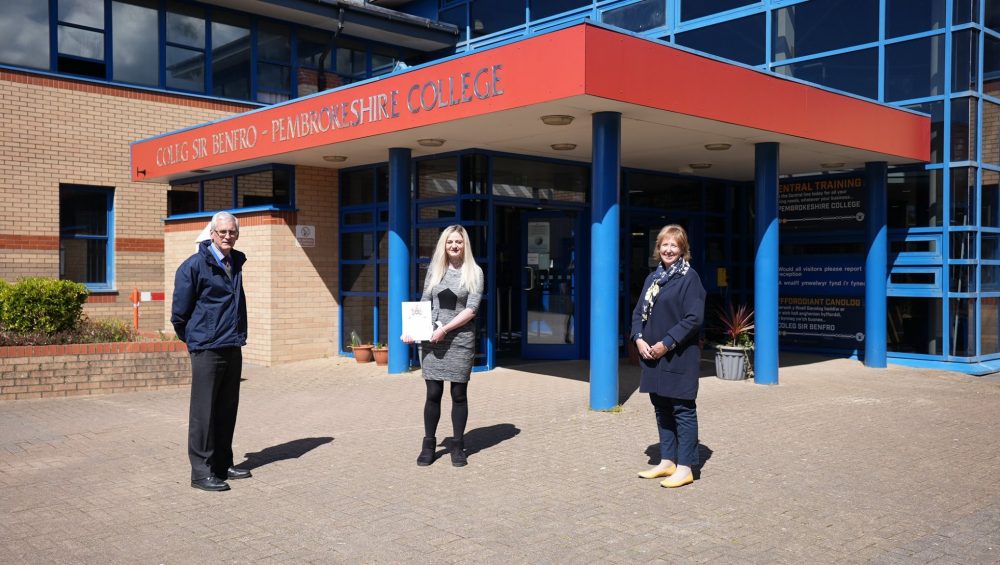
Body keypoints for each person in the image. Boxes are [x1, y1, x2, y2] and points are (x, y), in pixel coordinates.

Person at [171, 211, 251, 492]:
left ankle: (221, 464)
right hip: (207, 347)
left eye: (232, 232)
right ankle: (201, 471)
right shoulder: (193, 266)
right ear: (212, 234)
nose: (227, 236)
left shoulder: (235, 262)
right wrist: (196, 339)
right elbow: (179, 314)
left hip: (232, 344)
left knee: (227, 408)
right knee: (203, 411)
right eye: (222, 232)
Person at [630, 224, 706, 488]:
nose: (669, 249)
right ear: (658, 248)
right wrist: (638, 339)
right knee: (661, 408)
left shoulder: (689, 278)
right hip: (652, 355)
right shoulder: (652, 279)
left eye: (674, 245)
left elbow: (693, 318)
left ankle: (685, 467)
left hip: (678, 356)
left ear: (683, 249)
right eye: (664, 244)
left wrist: (666, 343)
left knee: (682, 410)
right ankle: (667, 461)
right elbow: (638, 312)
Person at [403, 225, 484, 467]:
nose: (454, 246)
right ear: (444, 245)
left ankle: (458, 446)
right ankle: (428, 444)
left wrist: (445, 329)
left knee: (458, 394)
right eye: (450, 242)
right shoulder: (434, 269)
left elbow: (472, 309)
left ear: (465, 244)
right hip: (431, 339)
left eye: (458, 242)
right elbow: (424, 301)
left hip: (460, 340)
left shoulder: (475, 272)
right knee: (433, 393)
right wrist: (412, 329)